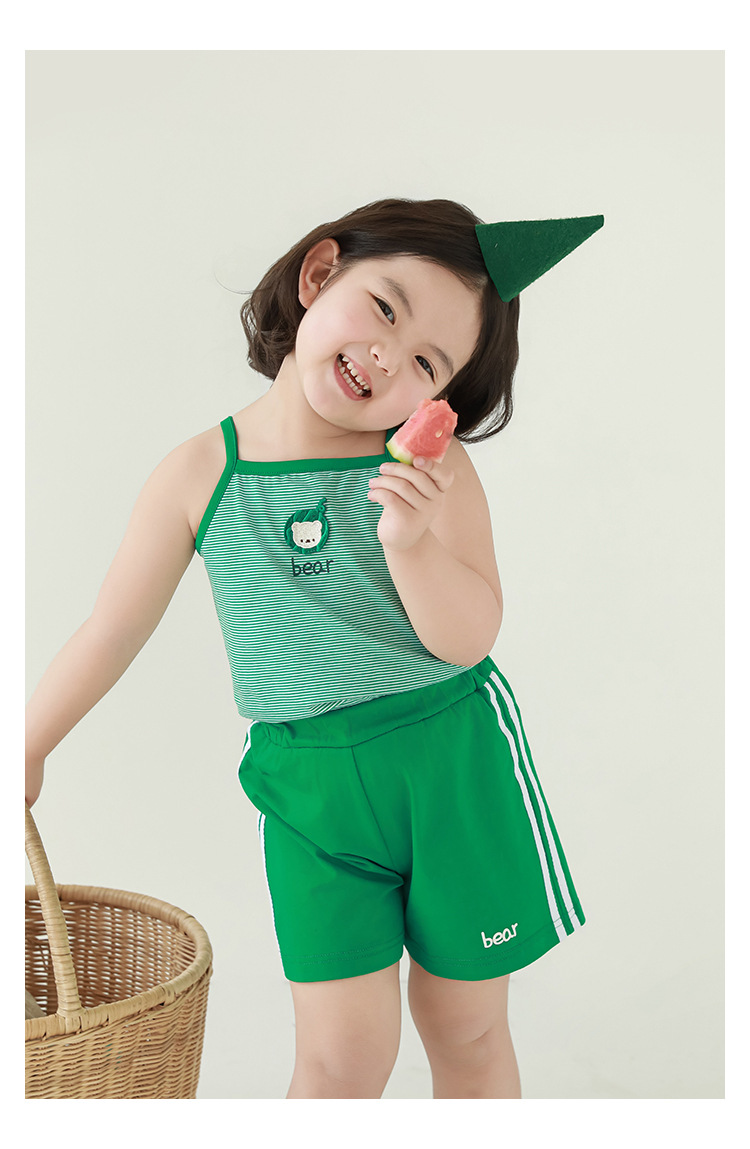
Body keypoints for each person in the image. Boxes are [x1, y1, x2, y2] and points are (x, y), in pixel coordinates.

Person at [25, 198, 602, 1100]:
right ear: (320, 273)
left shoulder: (433, 469)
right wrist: (28, 742)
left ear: (440, 397)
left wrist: (409, 544)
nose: (389, 356)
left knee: (466, 1026)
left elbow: (470, 635)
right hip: (309, 789)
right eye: (385, 308)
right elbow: (111, 627)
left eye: (427, 362)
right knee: (340, 1059)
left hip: (450, 759)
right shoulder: (199, 473)